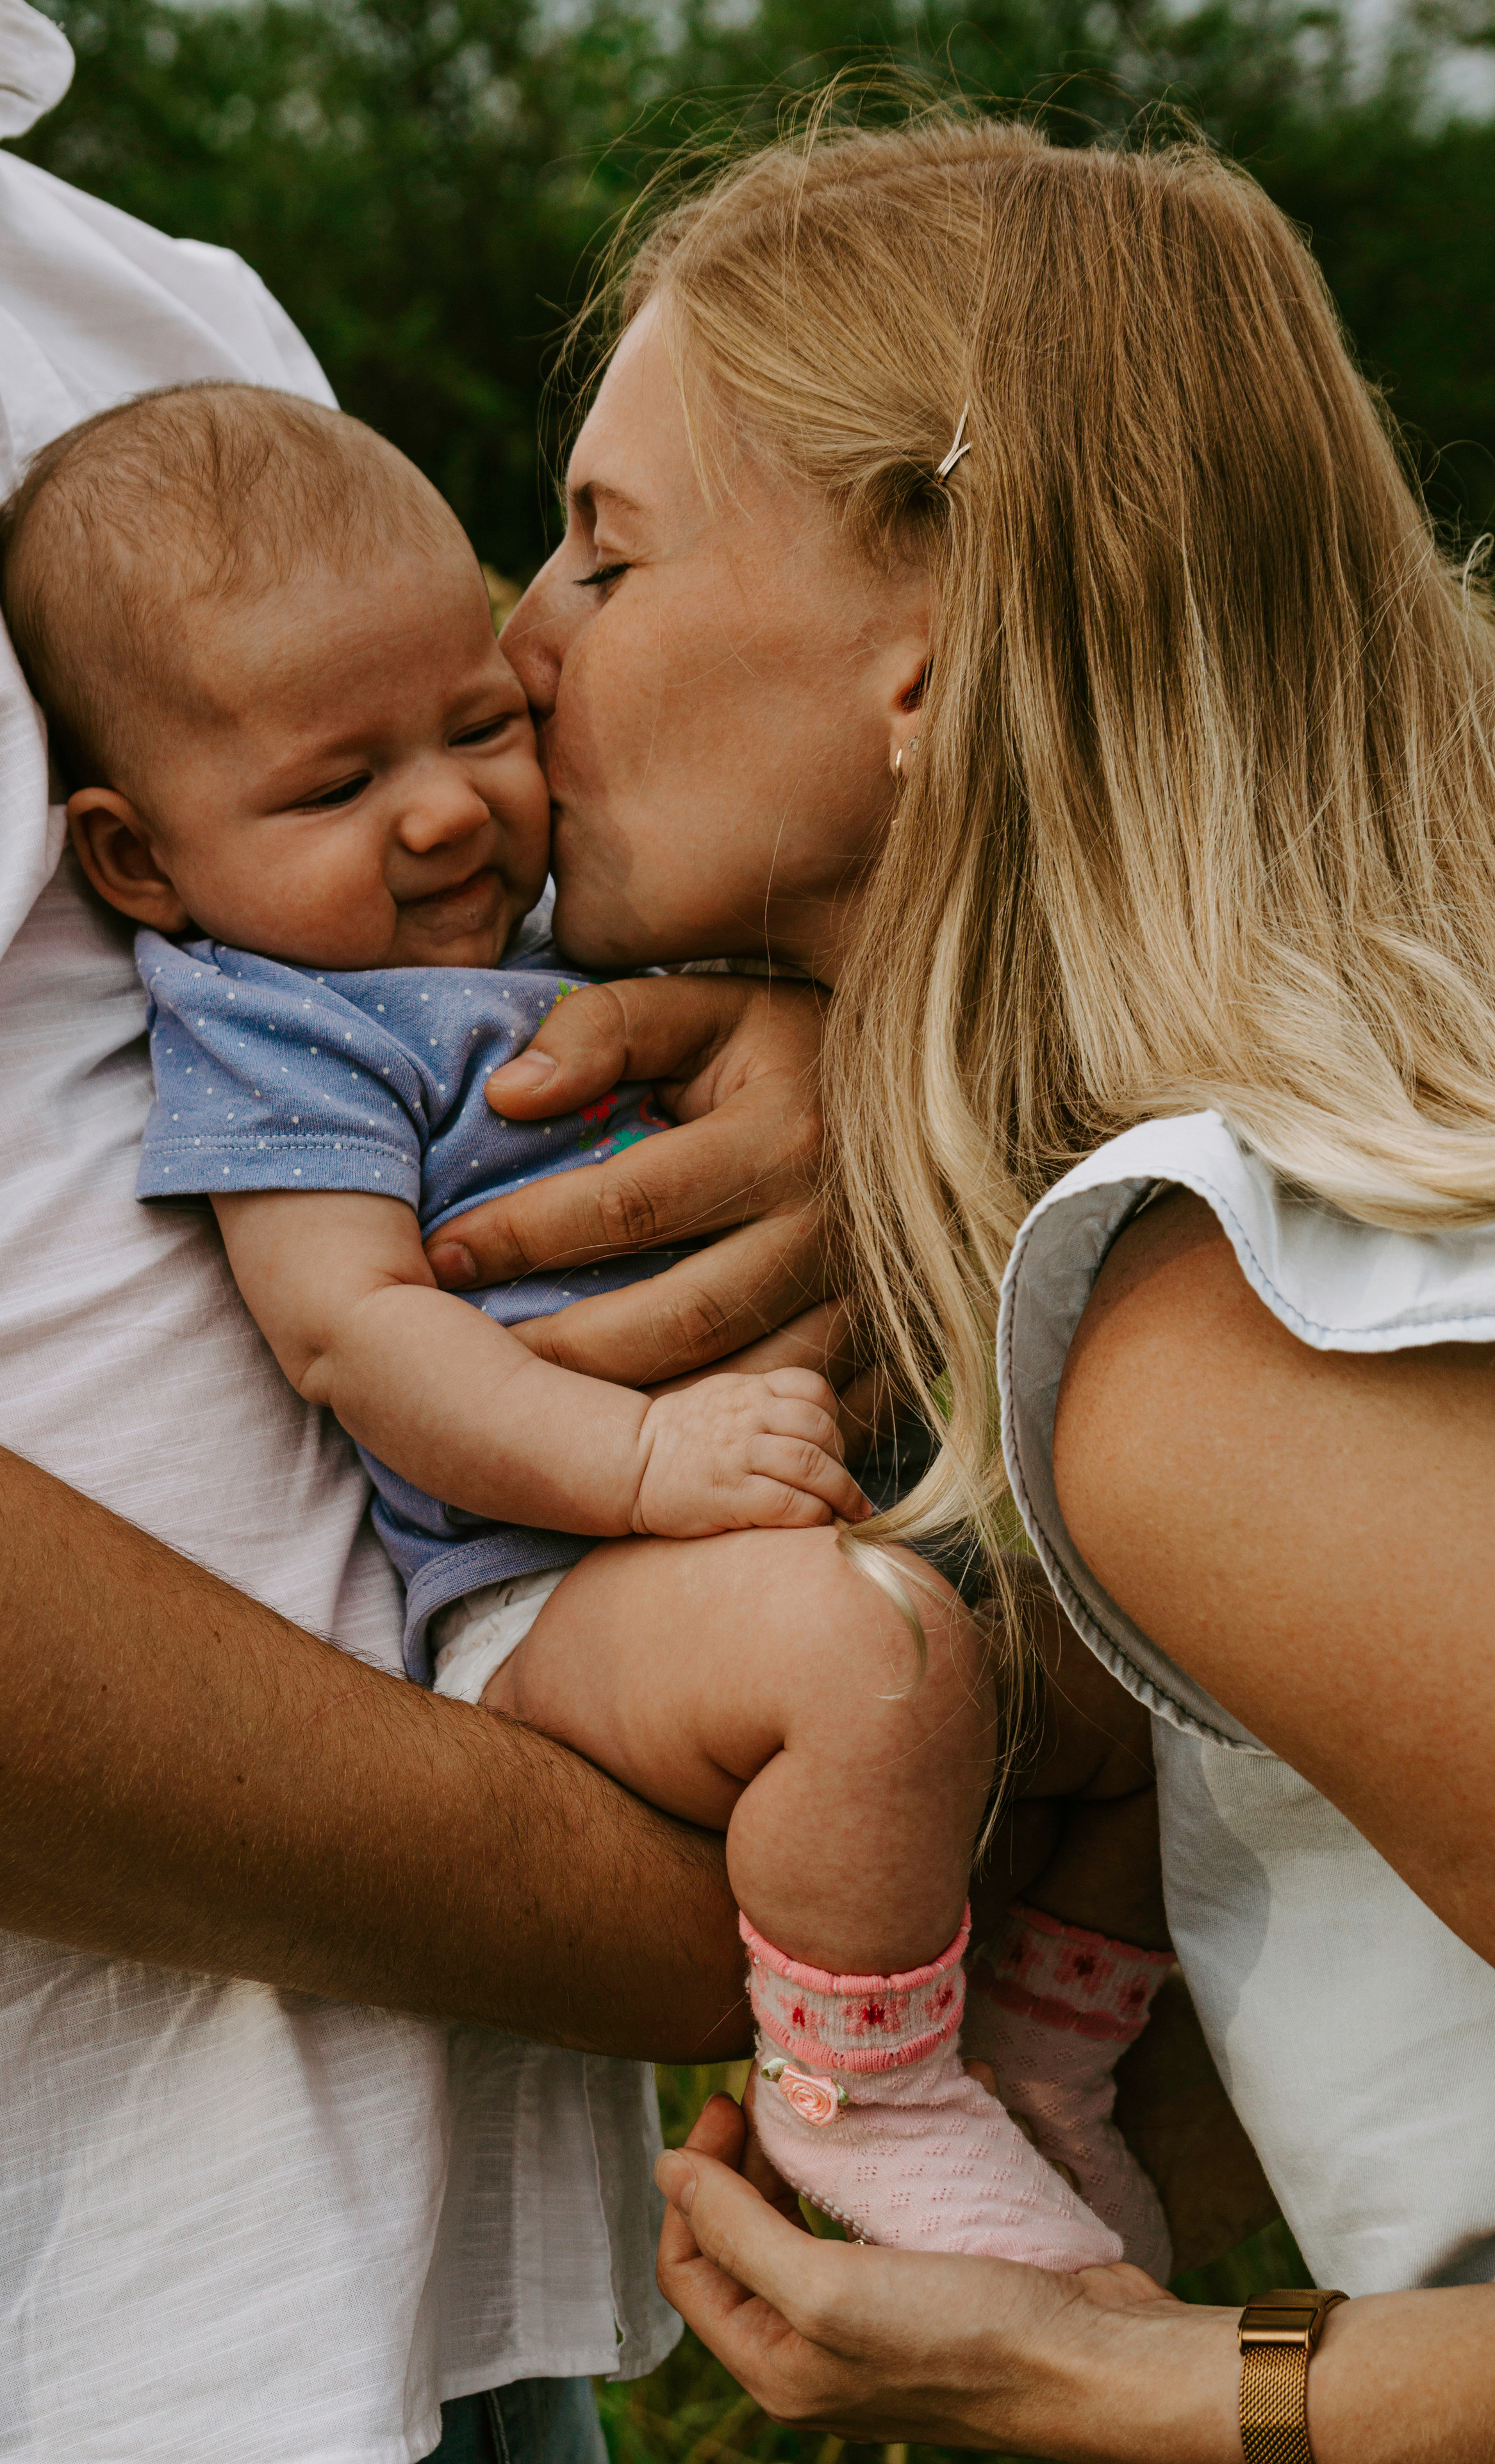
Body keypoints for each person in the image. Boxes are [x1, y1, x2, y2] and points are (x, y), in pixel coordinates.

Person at [0, 4, 844, 2454]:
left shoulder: (149, 296)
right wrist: (642, 1913)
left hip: (434, 2229)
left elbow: (485, 909)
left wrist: (788, 1047)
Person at [479, 106, 1495, 2446]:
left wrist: (1137, 2383)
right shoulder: (1337, 1222)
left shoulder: (1210, 1351)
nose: (514, 641)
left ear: (928, 668)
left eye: (606, 554)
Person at [0, 374, 1177, 2270]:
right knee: (873, 1665)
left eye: (480, 725)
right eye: (336, 788)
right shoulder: (280, 1020)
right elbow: (353, 1329)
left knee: (1127, 1687)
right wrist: (638, 1458)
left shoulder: (565, 935)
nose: (446, 809)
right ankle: (863, 2100)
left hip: (783, 1521)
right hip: (558, 1590)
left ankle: (1047, 2062)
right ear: (138, 859)